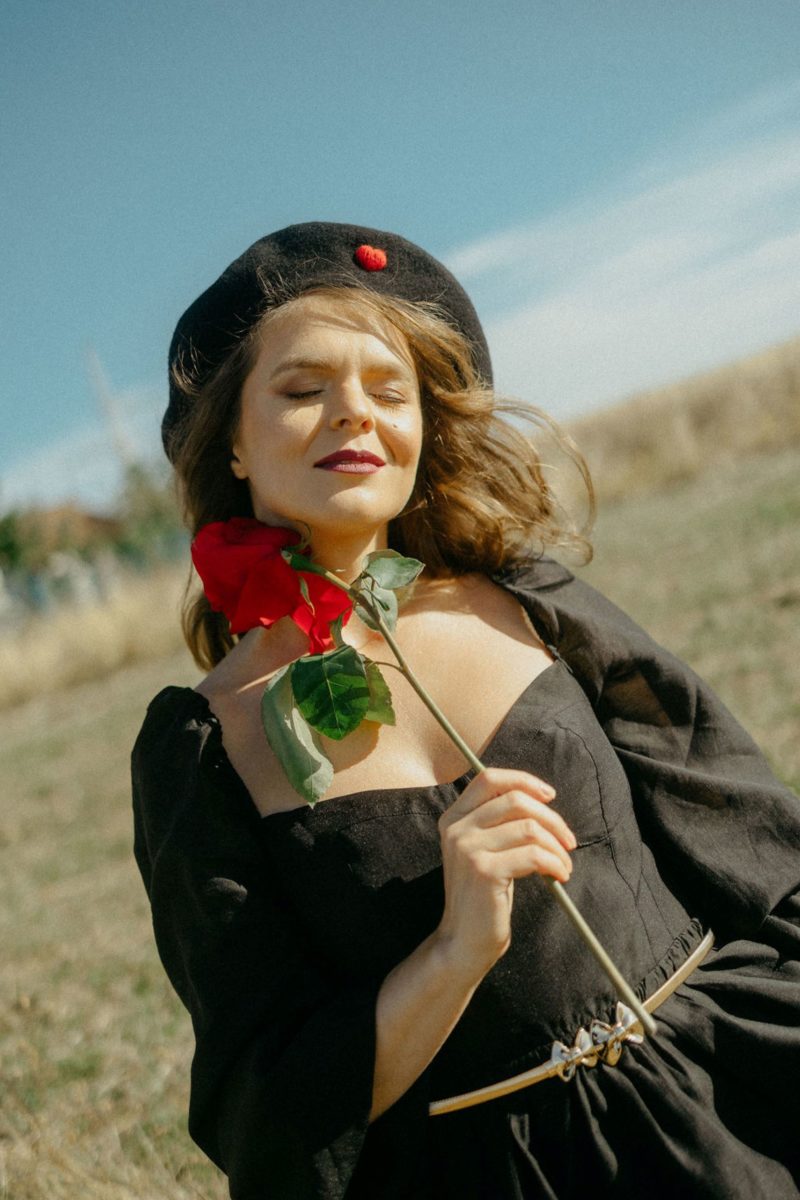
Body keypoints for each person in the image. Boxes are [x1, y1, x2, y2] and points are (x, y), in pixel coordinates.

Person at [132, 222, 800, 1200]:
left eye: (387, 389)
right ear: (231, 439)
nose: (352, 413)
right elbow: (265, 1108)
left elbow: (747, 841)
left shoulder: (530, 600)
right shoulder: (207, 745)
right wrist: (455, 949)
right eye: (302, 388)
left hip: (722, 1111)